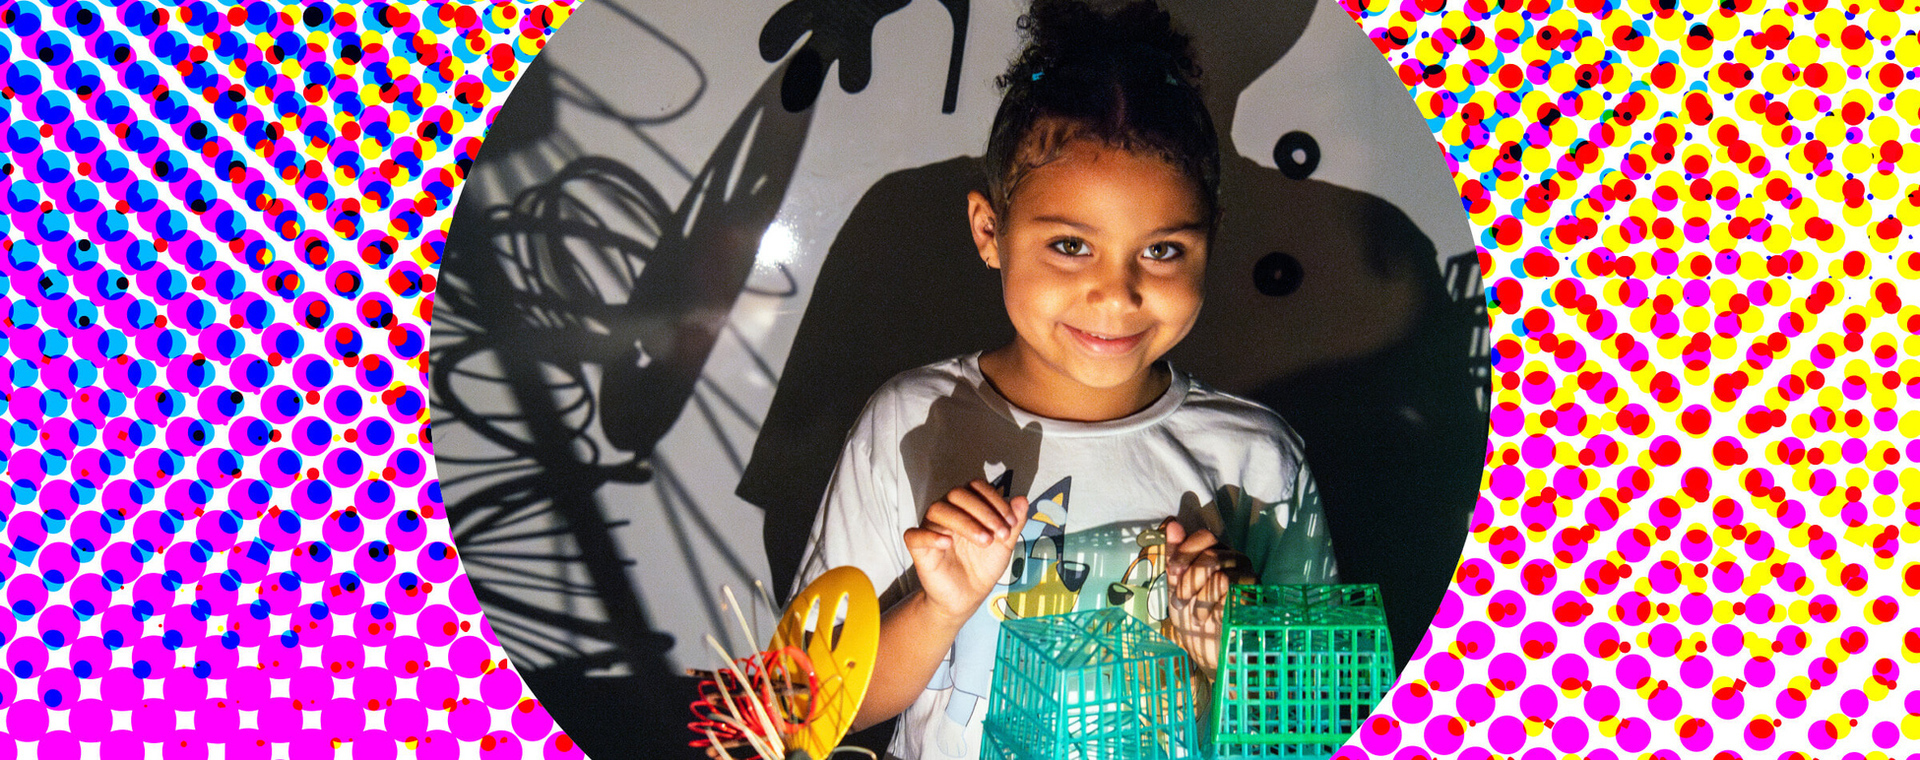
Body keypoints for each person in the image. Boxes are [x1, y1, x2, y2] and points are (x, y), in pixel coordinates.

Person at [788, 2, 1338, 758]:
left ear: (1210, 240)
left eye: (1163, 251)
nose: (1116, 296)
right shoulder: (911, 422)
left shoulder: (1258, 459)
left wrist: (1234, 656)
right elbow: (811, 704)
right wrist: (939, 609)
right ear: (990, 232)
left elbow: (1314, 726)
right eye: (1072, 245)